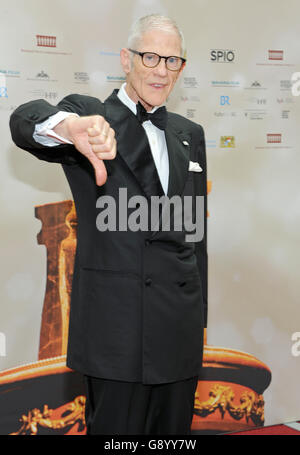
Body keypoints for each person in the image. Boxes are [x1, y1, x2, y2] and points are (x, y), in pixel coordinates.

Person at [10, 14, 208, 435]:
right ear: (126, 58)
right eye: (150, 56)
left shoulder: (189, 132)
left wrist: (200, 318)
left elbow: (195, 236)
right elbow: (24, 122)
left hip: (179, 328)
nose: (161, 70)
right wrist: (69, 127)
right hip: (116, 331)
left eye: (172, 61)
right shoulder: (92, 115)